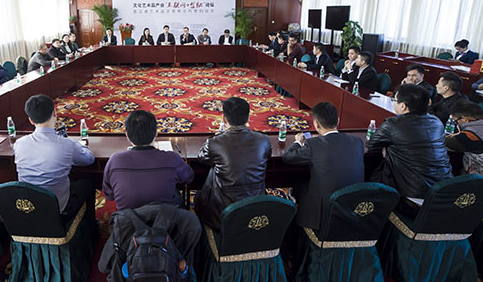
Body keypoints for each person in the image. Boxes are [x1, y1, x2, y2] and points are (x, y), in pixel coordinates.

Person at [282, 102, 364, 230]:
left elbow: (288, 157)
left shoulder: (313, 144)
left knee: (299, 182)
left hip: (324, 211)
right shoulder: (358, 142)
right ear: (338, 121)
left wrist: (297, 142)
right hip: (353, 206)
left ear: (316, 124)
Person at [369, 84, 451, 210]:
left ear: (403, 106)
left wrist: (388, 149)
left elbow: (372, 145)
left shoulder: (392, 124)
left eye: (395, 100)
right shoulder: (436, 122)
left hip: (413, 196)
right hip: (443, 191)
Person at [14, 95, 96, 220]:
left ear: (30, 120)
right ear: (55, 113)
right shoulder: (67, 145)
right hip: (58, 207)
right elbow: (89, 160)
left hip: (28, 206)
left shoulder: (19, 144)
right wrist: (83, 146)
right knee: (88, 184)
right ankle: (90, 225)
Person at [195, 97, 272, 230]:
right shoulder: (264, 140)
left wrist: (219, 137)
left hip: (223, 211)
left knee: (213, 169)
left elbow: (202, 158)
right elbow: (268, 156)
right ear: (248, 118)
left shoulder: (215, 142)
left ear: (224, 119)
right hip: (256, 208)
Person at [102, 110, 193, 210]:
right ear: (156, 134)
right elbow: (188, 177)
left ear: (127, 135)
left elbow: (109, 195)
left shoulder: (115, 160)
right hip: (164, 218)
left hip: (127, 218)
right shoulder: (172, 158)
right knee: (177, 195)